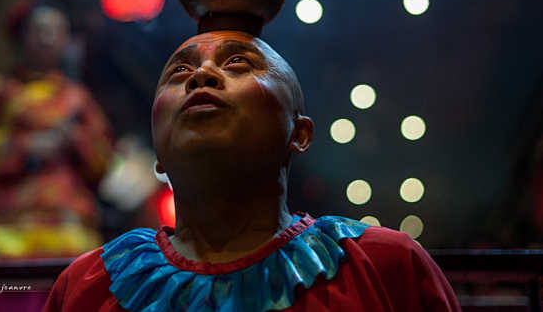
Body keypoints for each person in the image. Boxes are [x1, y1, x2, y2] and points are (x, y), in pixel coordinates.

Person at [42, 23, 460, 311]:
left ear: (299, 134)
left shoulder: (385, 266)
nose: (201, 75)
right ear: (159, 154)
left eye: (238, 63)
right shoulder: (91, 284)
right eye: (180, 70)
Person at [0, 0, 114, 264]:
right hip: (2, 235)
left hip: (68, 233)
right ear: (21, 37)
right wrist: (25, 146)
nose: (47, 38)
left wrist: (74, 140)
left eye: (55, 31)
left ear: (66, 41)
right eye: (39, 30)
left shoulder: (79, 99)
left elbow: (104, 161)